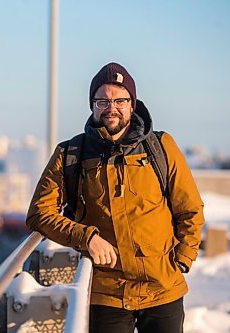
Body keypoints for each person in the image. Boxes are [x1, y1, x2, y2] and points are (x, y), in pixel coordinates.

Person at [26, 62, 205, 333]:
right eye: (102, 101)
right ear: (92, 105)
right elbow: (39, 213)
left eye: (120, 100)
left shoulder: (161, 146)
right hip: (106, 293)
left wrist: (184, 257)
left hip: (163, 289)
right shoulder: (71, 153)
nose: (111, 107)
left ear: (132, 104)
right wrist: (86, 237)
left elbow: (189, 207)